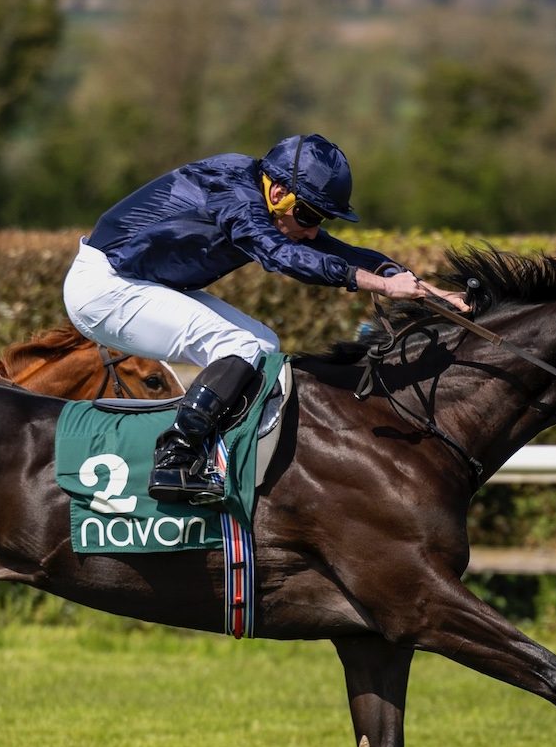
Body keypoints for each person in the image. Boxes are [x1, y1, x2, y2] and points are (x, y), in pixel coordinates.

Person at [64, 132, 469, 505]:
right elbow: (281, 255)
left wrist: (421, 287)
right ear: (278, 193)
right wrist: (378, 286)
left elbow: (334, 250)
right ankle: (175, 459)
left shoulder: (265, 194)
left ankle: (220, 455)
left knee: (262, 346)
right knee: (239, 346)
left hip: (136, 282)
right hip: (105, 288)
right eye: (308, 216)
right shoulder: (236, 196)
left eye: (321, 219)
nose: (313, 230)